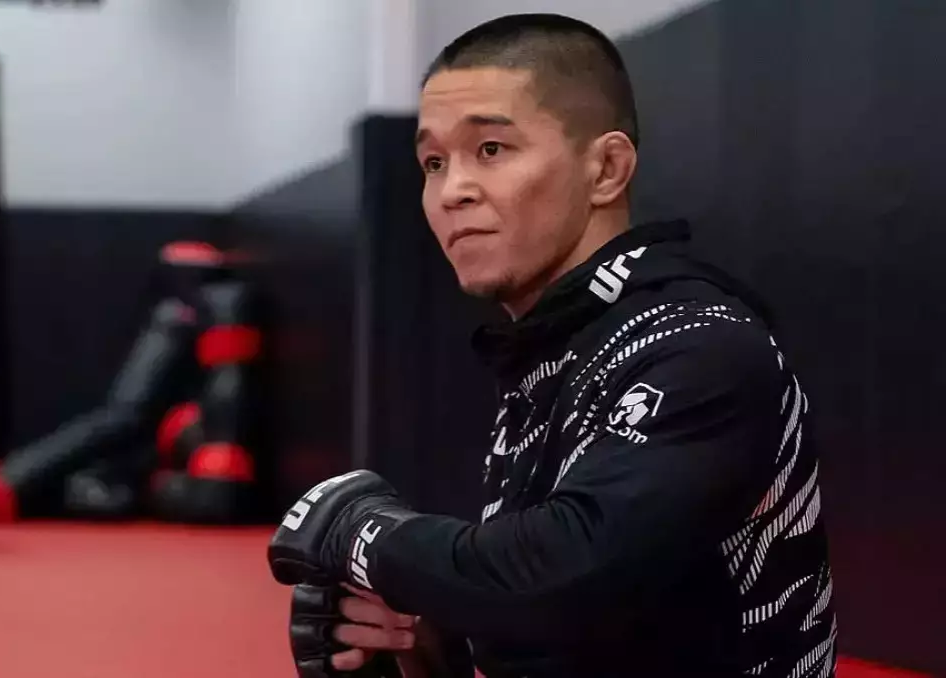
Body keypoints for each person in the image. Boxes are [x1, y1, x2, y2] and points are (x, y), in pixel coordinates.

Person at [266, 12, 837, 678]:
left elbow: (562, 574)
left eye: (491, 150)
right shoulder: (554, 353)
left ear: (606, 169)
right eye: (433, 162)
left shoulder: (697, 343)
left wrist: (360, 534)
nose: (453, 191)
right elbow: (602, 613)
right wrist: (425, 641)